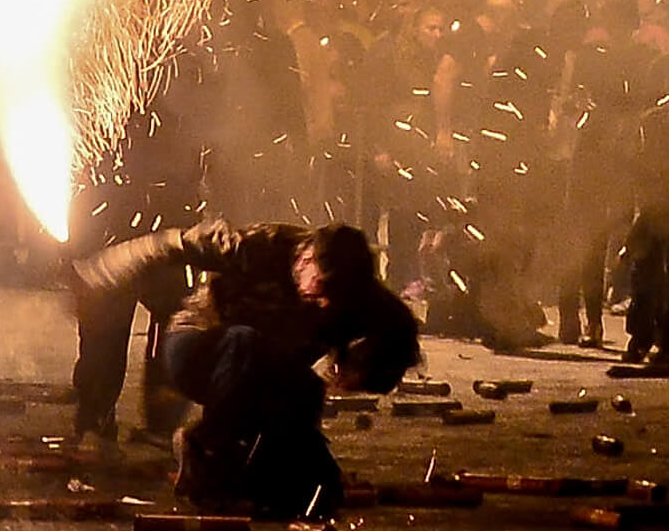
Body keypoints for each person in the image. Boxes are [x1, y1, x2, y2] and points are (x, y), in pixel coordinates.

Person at [68, 219, 420, 512]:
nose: (327, 304)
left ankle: (251, 474)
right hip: (199, 350)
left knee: (305, 406)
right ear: (307, 259)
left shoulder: (354, 288)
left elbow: (398, 330)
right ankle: (204, 444)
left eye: (338, 296)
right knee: (247, 343)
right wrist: (103, 270)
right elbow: (172, 245)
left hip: (263, 378)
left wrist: (364, 369)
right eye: (323, 288)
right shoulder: (259, 246)